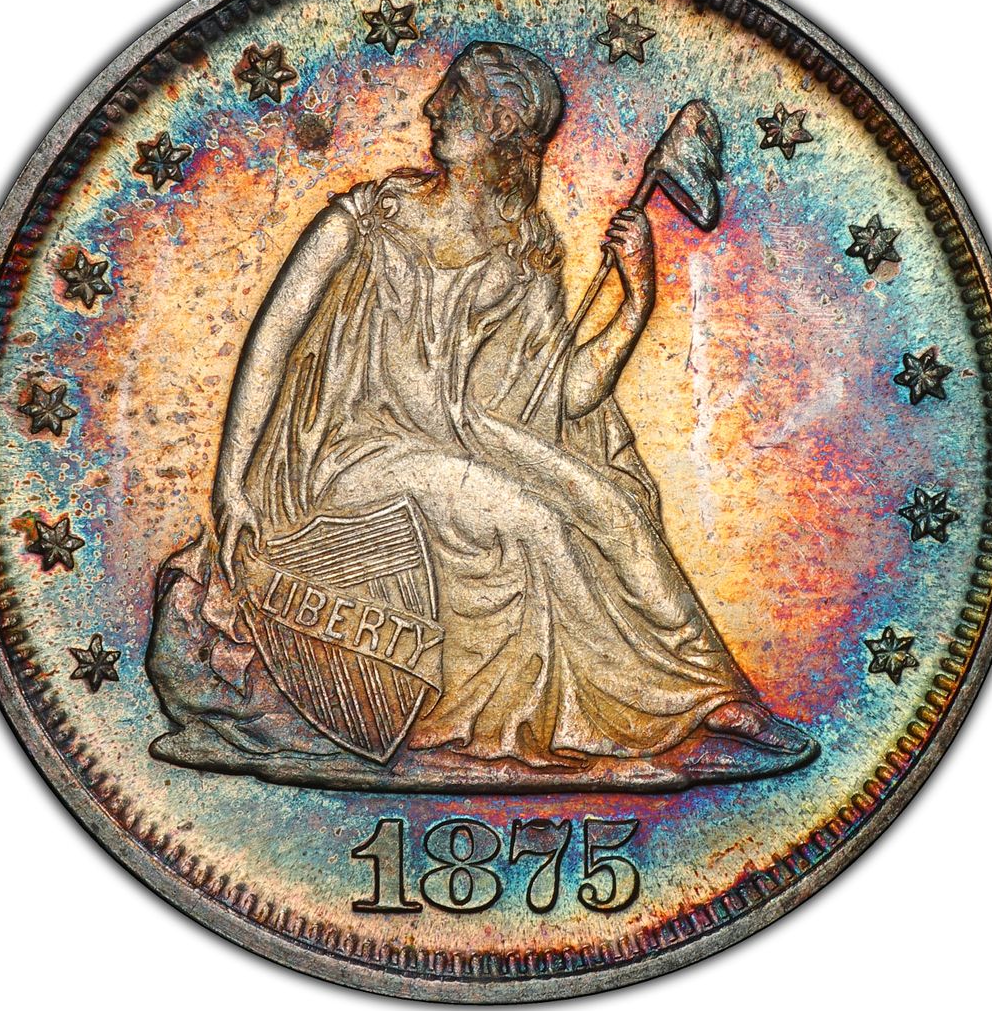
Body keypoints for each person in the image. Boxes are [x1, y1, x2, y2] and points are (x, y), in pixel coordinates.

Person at [146, 41, 817, 783]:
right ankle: (631, 718)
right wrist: (231, 484)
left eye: (455, 93)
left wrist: (635, 303)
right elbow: (271, 342)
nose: (433, 107)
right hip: (346, 457)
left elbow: (559, 398)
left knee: (611, 509)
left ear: (500, 121)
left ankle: (711, 696)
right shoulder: (368, 219)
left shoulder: (524, 252)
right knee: (534, 523)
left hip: (464, 441)